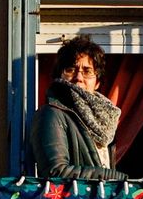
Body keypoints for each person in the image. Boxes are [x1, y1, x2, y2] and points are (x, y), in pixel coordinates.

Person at [31, 36, 126, 180]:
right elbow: (56, 171)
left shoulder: (105, 120)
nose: (79, 77)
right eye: (71, 69)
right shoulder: (51, 114)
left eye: (87, 71)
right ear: (60, 76)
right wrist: (111, 177)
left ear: (97, 82)